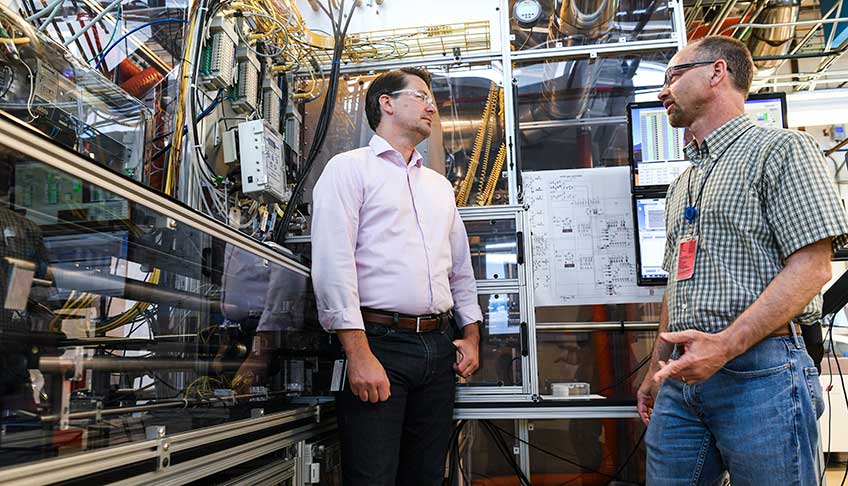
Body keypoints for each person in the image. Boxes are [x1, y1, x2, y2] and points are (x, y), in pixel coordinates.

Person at [637, 35, 848, 485]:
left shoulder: (781, 150)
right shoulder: (683, 184)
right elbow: (679, 281)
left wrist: (725, 346)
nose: (662, 92)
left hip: (761, 372)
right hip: (683, 377)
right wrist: (659, 366)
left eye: (672, 77)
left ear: (716, 73)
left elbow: (813, 267)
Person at [311, 67, 483, 486]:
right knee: (372, 476)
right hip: (379, 346)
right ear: (386, 104)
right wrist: (357, 352)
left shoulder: (439, 187)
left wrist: (472, 335)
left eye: (432, 100)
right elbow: (333, 264)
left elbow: (460, 269)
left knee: (426, 476)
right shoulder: (349, 170)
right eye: (421, 96)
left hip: (438, 350)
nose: (432, 107)